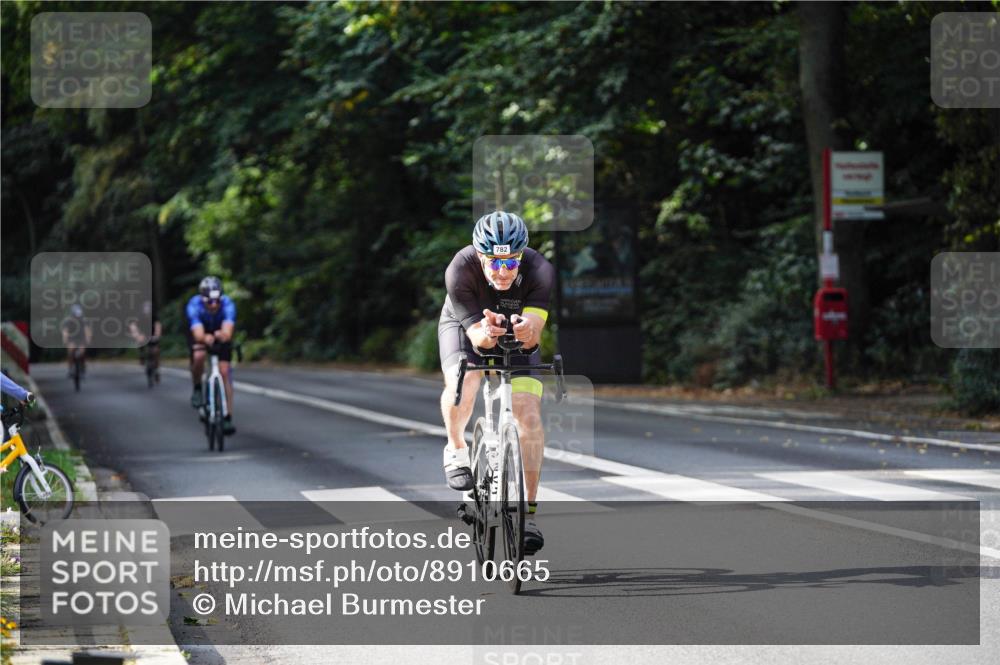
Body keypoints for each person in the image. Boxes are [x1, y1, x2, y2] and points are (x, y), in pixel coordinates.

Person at [437, 210, 555, 555]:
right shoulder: (459, 269)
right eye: (494, 263)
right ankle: (456, 449)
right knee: (467, 379)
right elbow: (478, 339)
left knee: (529, 417)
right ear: (479, 256)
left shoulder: (540, 270)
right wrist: (485, 332)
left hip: (516, 333)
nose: (503, 272)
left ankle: (528, 514)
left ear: (522, 256)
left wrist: (526, 329)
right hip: (465, 327)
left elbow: (535, 328)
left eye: (511, 263)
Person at [185, 276, 237, 434]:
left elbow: (228, 330)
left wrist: (223, 335)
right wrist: (204, 338)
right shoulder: (194, 305)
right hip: (201, 333)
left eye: (216, 301)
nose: (214, 305)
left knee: (224, 371)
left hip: (220, 334)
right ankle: (197, 388)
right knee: (199, 356)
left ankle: (227, 417)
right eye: (209, 302)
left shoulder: (228, 304)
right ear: (203, 299)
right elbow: (198, 333)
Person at [129, 300, 162, 379]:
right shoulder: (139, 316)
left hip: (152, 334)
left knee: (156, 350)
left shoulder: (154, 316)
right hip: (142, 334)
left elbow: (158, 325)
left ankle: (157, 369)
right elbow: (133, 325)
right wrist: (136, 335)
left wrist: (157, 335)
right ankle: (142, 356)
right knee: (140, 343)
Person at [60, 304, 91, 379]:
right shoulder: (68, 321)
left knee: (82, 352)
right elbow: (65, 331)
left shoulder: (83, 320)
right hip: (72, 338)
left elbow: (87, 330)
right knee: (70, 351)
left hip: (81, 338)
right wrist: (65, 339)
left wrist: (88, 339)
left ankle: (83, 369)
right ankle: (70, 369)